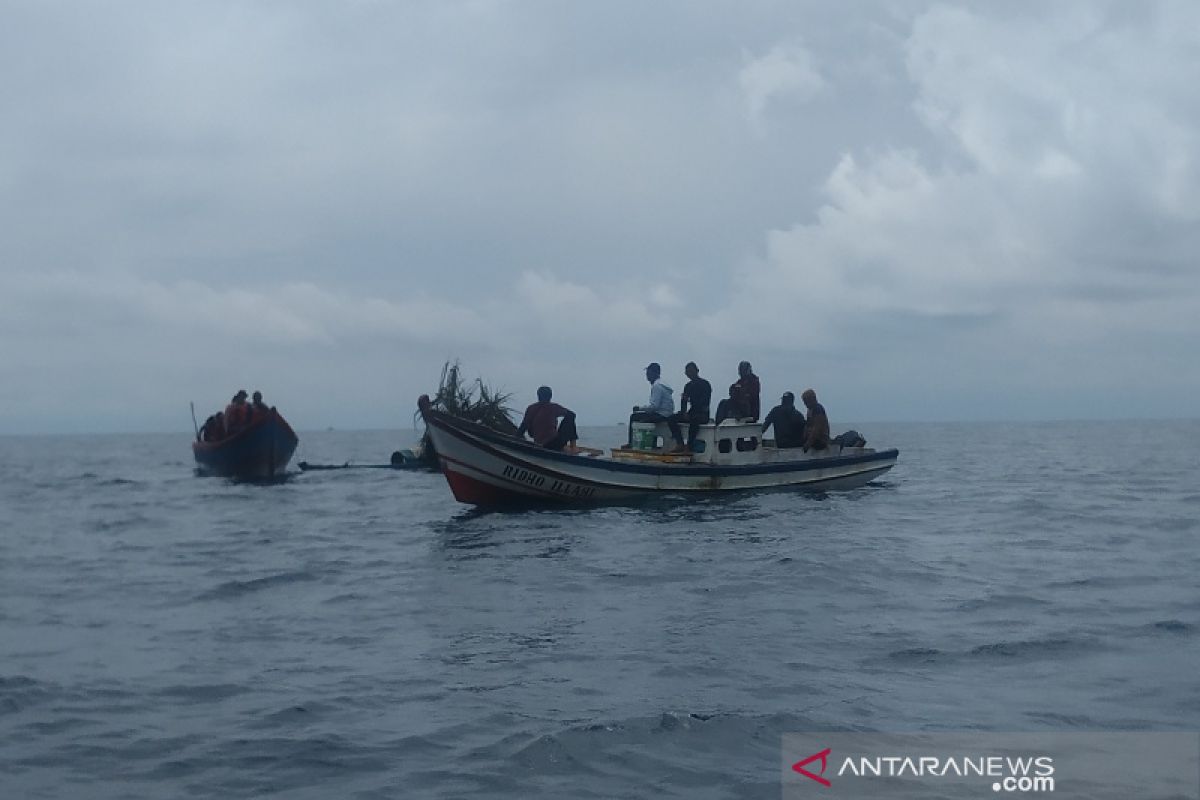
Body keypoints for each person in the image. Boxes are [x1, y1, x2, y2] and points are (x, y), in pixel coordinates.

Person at [516, 386, 578, 452]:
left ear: (538, 396)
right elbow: (572, 414)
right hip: (554, 444)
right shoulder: (553, 407)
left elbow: (523, 427)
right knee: (570, 417)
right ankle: (573, 448)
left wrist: (517, 440)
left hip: (538, 443)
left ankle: (571, 448)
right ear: (550, 396)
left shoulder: (531, 408)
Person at [667, 362, 711, 453]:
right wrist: (683, 412)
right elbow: (683, 402)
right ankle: (680, 443)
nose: (690, 373)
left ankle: (689, 446)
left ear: (697, 371)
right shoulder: (688, 386)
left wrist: (691, 402)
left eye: (691, 371)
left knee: (694, 420)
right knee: (671, 418)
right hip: (691, 412)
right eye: (688, 372)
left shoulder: (705, 384)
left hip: (702, 414)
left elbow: (705, 402)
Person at [627, 362, 674, 447]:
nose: (647, 376)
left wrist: (639, 408)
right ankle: (651, 443)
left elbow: (654, 406)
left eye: (649, 373)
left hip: (662, 414)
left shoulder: (657, 386)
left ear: (655, 373)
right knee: (646, 416)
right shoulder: (662, 384)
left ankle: (631, 443)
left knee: (634, 417)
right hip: (667, 413)